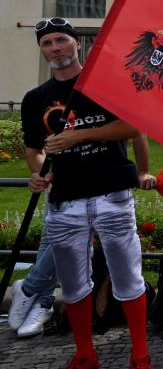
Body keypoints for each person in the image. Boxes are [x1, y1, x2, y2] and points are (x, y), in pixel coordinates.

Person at [23, 17, 156, 369]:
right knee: (74, 286)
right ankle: (84, 355)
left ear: (76, 44)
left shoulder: (104, 85)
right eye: (47, 43)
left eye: (61, 40)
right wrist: (39, 175)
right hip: (66, 200)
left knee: (129, 278)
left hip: (111, 193)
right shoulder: (36, 100)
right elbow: (34, 150)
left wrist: (79, 135)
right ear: (42, 49)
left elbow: (134, 125)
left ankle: (140, 356)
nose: (55, 48)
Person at [7, 133, 153, 340]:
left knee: (67, 239)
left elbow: (134, 127)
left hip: (105, 178)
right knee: (53, 238)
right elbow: (35, 147)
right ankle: (43, 299)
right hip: (64, 177)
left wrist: (143, 170)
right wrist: (47, 174)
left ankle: (31, 289)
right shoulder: (44, 101)